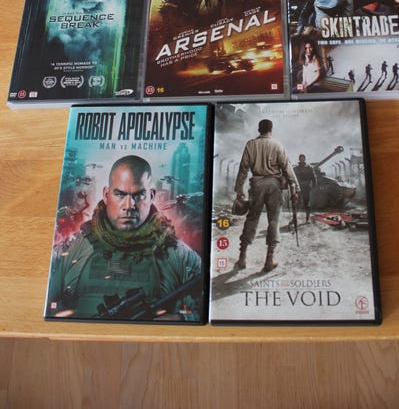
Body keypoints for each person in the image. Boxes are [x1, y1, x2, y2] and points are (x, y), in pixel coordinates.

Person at [46, 155, 202, 321]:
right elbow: (45, 307)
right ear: (106, 195)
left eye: (139, 195)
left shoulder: (178, 254)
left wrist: (179, 319)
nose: (129, 206)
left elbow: (206, 305)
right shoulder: (71, 251)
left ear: (151, 196)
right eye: (120, 194)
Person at [234, 119, 299, 272]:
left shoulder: (250, 144)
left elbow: (243, 168)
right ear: (271, 129)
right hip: (274, 185)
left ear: (259, 129)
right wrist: (295, 189)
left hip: (256, 184)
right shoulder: (278, 145)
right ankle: (269, 260)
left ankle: (242, 257)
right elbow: (287, 168)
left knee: (252, 218)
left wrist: (239, 190)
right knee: (274, 220)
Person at [292, 154, 316, 223]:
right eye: (300, 158)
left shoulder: (309, 168)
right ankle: (294, 219)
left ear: (305, 159)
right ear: (299, 159)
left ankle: (307, 219)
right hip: (298, 187)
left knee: (307, 203)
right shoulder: (295, 168)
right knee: (296, 203)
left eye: (303, 158)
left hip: (306, 188)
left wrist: (314, 185)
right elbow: (293, 177)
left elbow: (313, 177)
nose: (301, 159)